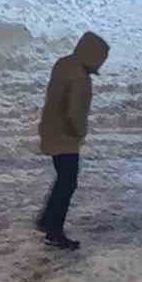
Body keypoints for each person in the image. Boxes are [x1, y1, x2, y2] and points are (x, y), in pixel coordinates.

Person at [35, 31, 109, 250]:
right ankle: (54, 230)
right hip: (65, 136)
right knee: (67, 183)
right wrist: (79, 132)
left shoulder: (64, 64)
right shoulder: (79, 77)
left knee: (63, 180)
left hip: (51, 129)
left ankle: (47, 220)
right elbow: (75, 113)